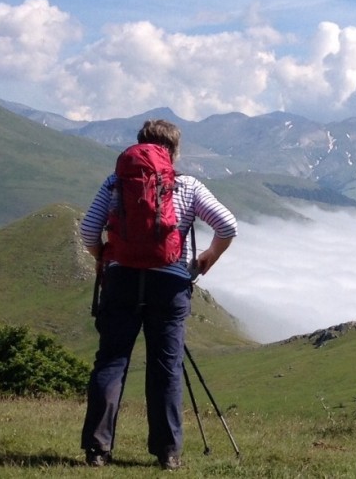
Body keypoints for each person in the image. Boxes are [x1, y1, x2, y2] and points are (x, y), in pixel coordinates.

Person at [79, 119, 237, 470]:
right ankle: (167, 453)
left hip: (121, 279)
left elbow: (89, 230)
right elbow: (228, 225)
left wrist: (103, 256)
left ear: (138, 145)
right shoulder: (188, 185)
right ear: (174, 151)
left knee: (112, 361)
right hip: (169, 284)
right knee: (166, 367)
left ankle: (97, 450)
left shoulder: (116, 182)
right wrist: (208, 257)